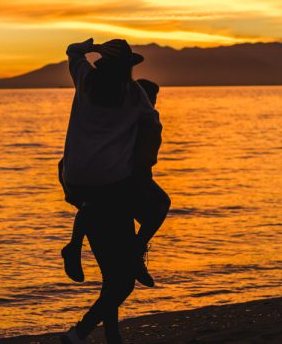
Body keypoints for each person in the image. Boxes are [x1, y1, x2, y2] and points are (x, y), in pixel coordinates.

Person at [58, 38, 163, 344]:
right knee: (158, 206)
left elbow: (72, 52)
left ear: (101, 64)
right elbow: (152, 122)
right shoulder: (132, 94)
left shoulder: (85, 80)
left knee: (112, 277)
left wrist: (88, 46)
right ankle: (135, 251)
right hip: (111, 184)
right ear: (126, 69)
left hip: (76, 178)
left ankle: (112, 335)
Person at [59, 77, 171, 287]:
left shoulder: (128, 117)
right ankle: (130, 252)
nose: (153, 103)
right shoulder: (127, 119)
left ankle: (133, 251)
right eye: (150, 98)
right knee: (159, 204)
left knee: (155, 205)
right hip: (107, 179)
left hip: (112, 179)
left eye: (154, 98)